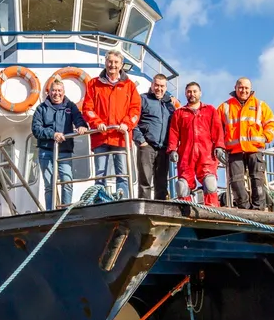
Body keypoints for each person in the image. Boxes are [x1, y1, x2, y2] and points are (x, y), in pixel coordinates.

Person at [81, 49, 141, 199]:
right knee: (100, 174)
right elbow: (88, 108)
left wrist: (127, 124)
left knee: (123, 173)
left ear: (121, 65)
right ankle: (99, 201)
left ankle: (123, 200)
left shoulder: (129, 86)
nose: (112, 65)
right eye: (110, 61)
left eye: (116, 62)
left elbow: (135, 110)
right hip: (100, 137)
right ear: (105, 62)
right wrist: (97, 123)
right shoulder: (93, 84)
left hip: (121, 137)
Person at [218, 77, 274, 210]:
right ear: (235, 88)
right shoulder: (225, 107)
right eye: (241, 87)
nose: (243, 90)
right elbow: (217, 128)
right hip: (234, 151)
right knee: (236, 181)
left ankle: (259, 208)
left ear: (250, 89)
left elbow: (272, 124)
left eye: (246, 88)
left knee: (257, 180)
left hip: (254, 150)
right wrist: (219, 146)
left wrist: (265, 137)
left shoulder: (260, 105)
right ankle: (244, 208)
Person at [167, 81, 226, 207]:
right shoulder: (179, 113)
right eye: (189, 91)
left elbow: (217, 130)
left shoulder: (210, 110)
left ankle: (213, 210)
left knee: (210, 183)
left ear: (200, 93)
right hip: (186, 154)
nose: (191, 94)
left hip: (206, 153)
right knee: (182, 186)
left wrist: (219, 147)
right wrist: (172, 149)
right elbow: (174, 133)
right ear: (185, 94)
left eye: (194, 91)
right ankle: (185, 210)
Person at [31, 80, 88, 209]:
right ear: (49, 92)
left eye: (59, 90)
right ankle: (51, 210)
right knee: (49, 184)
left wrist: (81, 126)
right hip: (46, 151)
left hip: (64, 150)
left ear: (63, 92)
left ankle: (65, 209)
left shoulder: (70, 106)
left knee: (67, 181)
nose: (56, 93)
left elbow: (78, 118)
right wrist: (53, 134)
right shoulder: (41, 108)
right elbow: (36, 129)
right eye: (54, 90)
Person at [133, 73, 177, 200]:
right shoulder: (143, 99)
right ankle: (144, 207)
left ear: (166, 87)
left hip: (164, 148)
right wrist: (141, 141)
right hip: (147, 146)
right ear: (152, 85)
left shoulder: (170, 104)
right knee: (145, 181)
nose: (159, 88)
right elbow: (133, 121)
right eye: (156, 85)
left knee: (162, 182)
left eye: (162, 86)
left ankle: (161, 209)